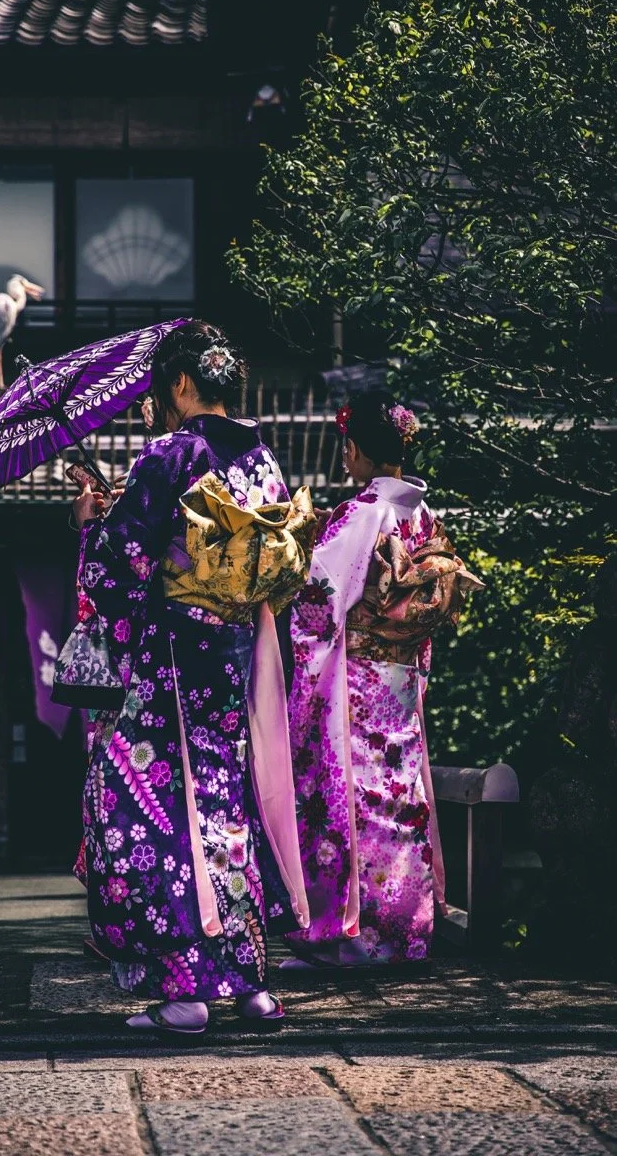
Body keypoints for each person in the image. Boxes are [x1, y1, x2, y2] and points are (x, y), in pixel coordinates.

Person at [72, 320, 312, 1034]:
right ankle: (250, 984)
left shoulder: (169, 457)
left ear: (181, 384)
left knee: (135, 807)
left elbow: (115, 576)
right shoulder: (264, 462)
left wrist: (91, 525)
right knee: (224, 809)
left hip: (171, 667)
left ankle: (186, 992)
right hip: (234, 663)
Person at [286, 393, 483, 968]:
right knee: (401, 802)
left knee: (349, 799)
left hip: (357, 681)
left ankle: (347, 934)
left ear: (353, 450)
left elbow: (314, 600)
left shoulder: (361, 514)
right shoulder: (424, 517)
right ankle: (403, 933)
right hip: (402, 682)